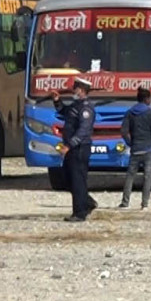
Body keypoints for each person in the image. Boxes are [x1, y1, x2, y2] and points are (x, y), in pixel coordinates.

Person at [55, 77, 98, 222]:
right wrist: (56, 101)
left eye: (76, 88)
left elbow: (83, 130)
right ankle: (87, 202)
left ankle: (79, 213)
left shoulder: (86, 108)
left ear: (82, 90)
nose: (74, 90)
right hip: (72, 148)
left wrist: (69, 145)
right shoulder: (75, 105)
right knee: (68, 179)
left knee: (77, 179)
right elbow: (63, 112)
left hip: (79, 148)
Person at [119, 87, 151, 209]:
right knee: (147, 176)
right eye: (150, 98)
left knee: (130, 176)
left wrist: (130, 143)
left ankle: (125, 203)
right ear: (147, 99)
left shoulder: (130, 113)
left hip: (136, 149)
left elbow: (123, 131)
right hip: (148, 149)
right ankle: (145, 204)